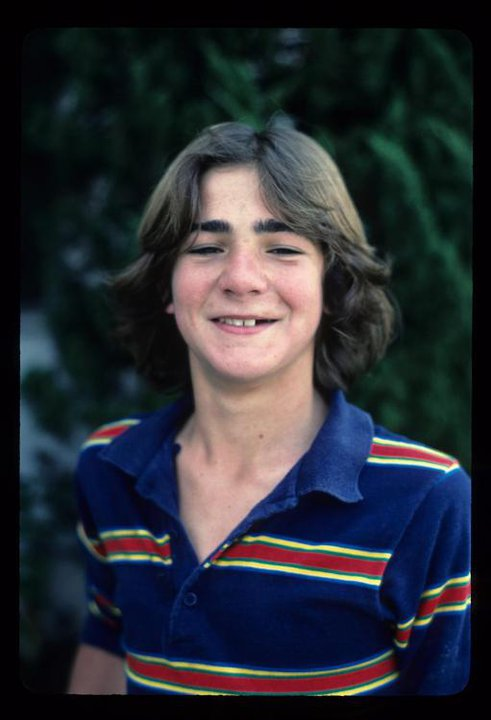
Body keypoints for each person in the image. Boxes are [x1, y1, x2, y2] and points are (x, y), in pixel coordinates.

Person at [67, 120, 470, 696]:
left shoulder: (428, 500)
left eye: (282, 248)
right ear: (165, 286)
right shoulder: (109, 467)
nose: (241, 278)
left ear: (332, 286)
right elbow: (107, 640)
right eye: (206, 248)